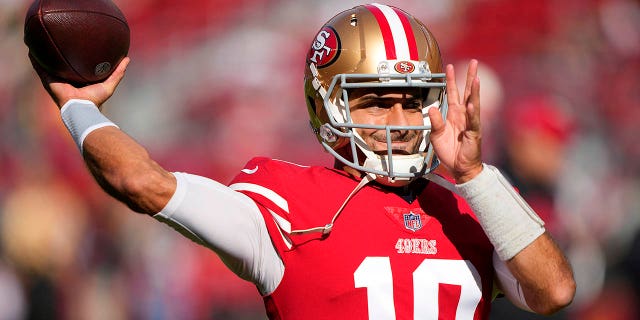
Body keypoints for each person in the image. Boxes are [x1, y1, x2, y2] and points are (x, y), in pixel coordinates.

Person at [30, 4, 575, 319]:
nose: (401, 118)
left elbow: (554, 291)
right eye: (378, 101)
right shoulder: (285, 200)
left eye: (413, 100)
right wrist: (78, 107)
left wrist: (476, 176)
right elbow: (140, 182)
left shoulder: (468, 212)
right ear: (330, 106)